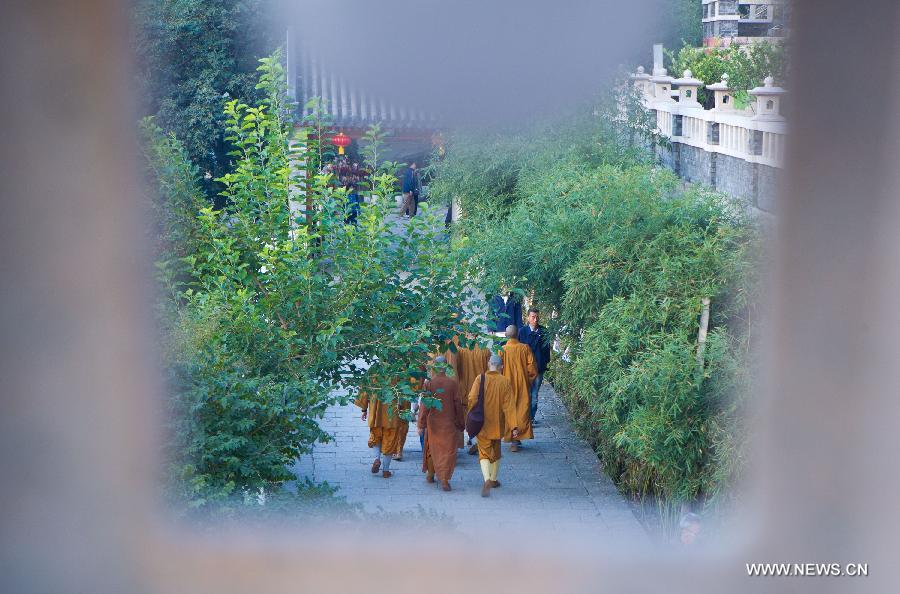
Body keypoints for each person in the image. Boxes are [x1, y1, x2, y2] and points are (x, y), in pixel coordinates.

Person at [467, 355, 518, 497]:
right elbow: (509, 406)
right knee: (496, 451)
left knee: (483, 452)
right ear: (501, 367)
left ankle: (486, 479)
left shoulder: (480, 378)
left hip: (482, 422)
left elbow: (471, 398)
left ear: (489, 364)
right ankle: (494, 479)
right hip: (498, 423)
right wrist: (514, 426)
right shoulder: (505, 381)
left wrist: (472, 411)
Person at [418, 356, 464, 491]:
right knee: (447, 451)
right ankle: (444, 479)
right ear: (446, 367)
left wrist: (421, 424)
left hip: (433, 422)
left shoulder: (429, 384)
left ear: (434, 367)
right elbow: (458, 405)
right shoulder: (452, 383)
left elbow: (424, 406)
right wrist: (461, 423)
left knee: (432, 448)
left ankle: (431, 474)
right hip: (449, 422)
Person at [500, 324, 537, 452]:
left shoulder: (502, 350)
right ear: (518, 335)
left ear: (506, 335)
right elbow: (532, 369)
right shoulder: (525, 348)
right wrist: (528, 381)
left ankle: (513, 439)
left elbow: (497, 368)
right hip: (522, 385)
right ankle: (516, 440)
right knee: (521, 411)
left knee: (509, 412)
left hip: (506, 385)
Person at [356, 388, 405, 478]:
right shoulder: (398, 373)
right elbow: (405, 388)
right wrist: (404, 410)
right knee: (390, 439)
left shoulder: (373, 373)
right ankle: (386, 471)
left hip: (376, 409)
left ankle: (377, 459)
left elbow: (364, 387)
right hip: (392, 410)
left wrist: (364, 409)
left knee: (375, 435)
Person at [455, 334, 490, 454]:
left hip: (464, 387)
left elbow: (456, 370)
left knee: (466, 414)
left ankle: (471, 438)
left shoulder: (460, 351)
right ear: (476, 335)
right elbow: (489, 370)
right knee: (479, 413)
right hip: (481, 387)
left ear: (466, 335)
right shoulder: (485, 350)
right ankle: (476, 438)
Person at [518, 308, 551, 424]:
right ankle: (524, 417)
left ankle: (531, 418)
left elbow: (547, 351)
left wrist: (544, 362)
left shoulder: (544, 332)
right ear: (528, 318)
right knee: (524, 393)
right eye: (533, 317)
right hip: (524, 368)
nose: (535, 319)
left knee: (534, 394)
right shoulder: (521, 332)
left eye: (537, 317)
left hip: (538, 368)